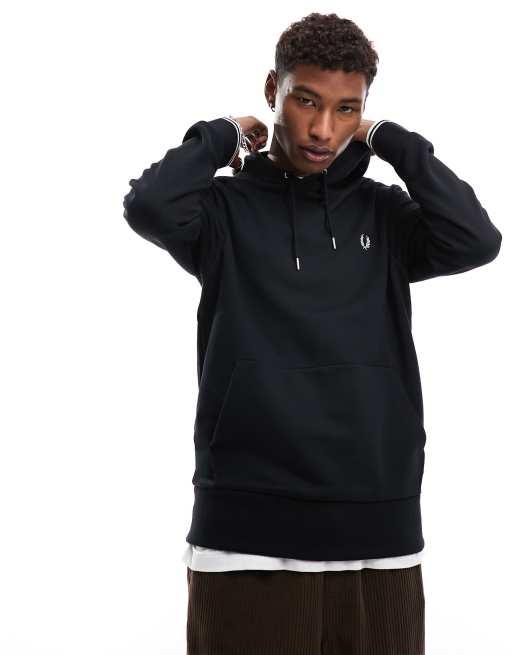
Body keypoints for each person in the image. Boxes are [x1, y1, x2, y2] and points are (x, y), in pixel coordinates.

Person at [123, 12, 502, 655]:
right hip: (244, 529)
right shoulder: (221, 213)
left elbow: (476, 240)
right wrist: (222, 134)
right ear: (273, 89)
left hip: (377, 523)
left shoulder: (384, 214)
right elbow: (149, 205)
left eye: (347, 109)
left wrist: (392, 141)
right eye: (306, 101)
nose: (324, 129)